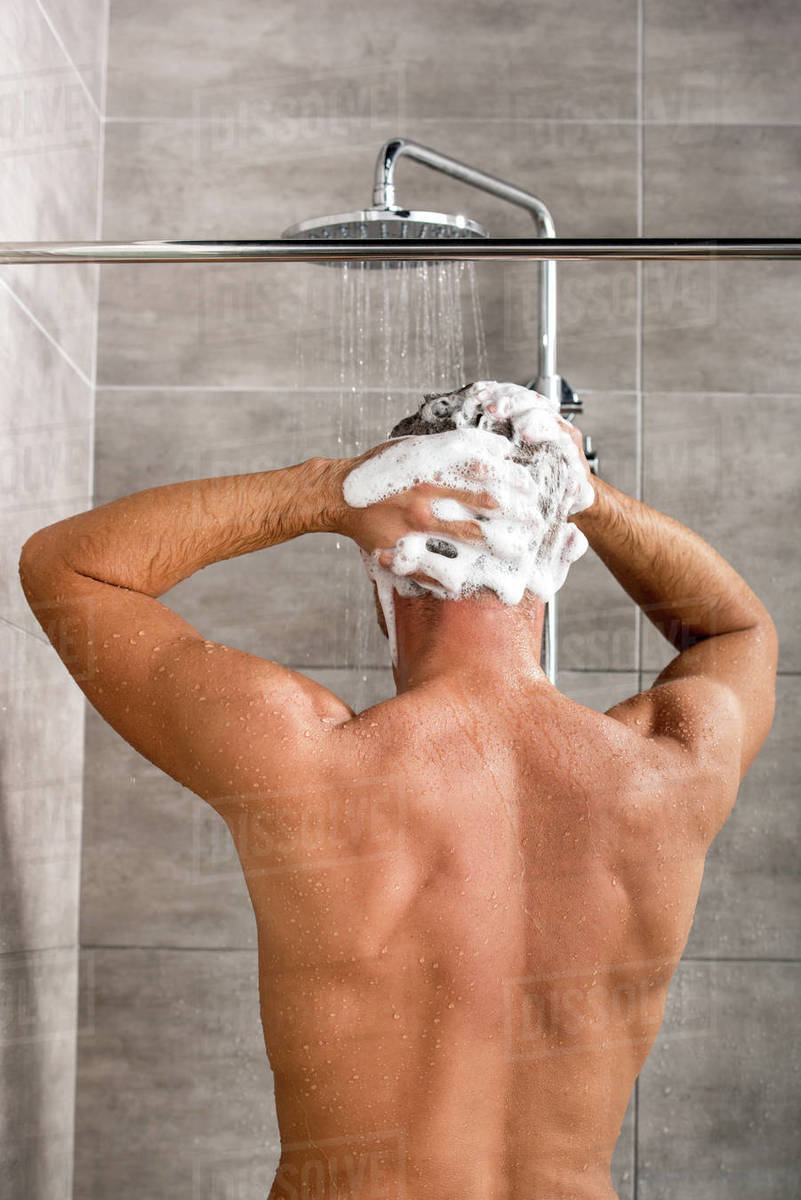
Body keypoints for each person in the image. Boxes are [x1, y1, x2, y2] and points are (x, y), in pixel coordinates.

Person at [18, 385, 777, 1200]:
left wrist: (328, 491)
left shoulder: (302, 758)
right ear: (552, 561)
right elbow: (740, 631)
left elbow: (66, 565)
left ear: (386, 564)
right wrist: (583, 500)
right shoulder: (669, 768)